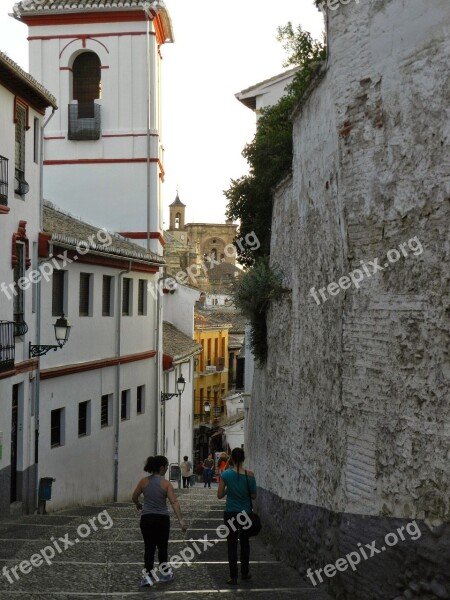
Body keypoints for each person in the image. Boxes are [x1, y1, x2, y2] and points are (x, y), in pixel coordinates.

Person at [132, 455, 187, 587]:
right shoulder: (166, 484)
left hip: (147, 519)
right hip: (162, 519)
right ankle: (164, 574)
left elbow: (134, 496)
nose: (167, 469)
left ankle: (148, 578)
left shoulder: (143, 482)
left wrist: (138, 505)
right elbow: (174, 502)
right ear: (161, 468)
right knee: (162, 548)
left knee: (149, 548)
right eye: (167, 467)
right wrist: (180, 520)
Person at [217, 447, 256, 585]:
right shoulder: (250, 475)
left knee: (231, 544)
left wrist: (229, 489)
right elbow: (254, 496)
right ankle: (245, 573)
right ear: (243, 458)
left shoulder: (226, 475)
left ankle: (233, 576)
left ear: (232, 459)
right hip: (245, 513)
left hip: (230, 513)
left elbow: (219, 495)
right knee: (245, 543)